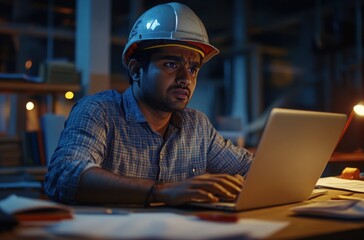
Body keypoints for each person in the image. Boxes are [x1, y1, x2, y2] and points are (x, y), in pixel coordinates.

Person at [44, 2, 253, 206]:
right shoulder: (98, 112)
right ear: (136, 70)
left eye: (193, 69)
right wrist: (161, 192)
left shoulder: (197, 126)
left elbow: (250, 169)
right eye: (171, 64)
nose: (185, 79)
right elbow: (64, 175)